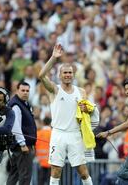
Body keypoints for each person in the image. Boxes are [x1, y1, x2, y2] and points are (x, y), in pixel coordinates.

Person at [38, 43, 93, 185]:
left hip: (75, 134)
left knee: (83, 170)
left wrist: (86, 109)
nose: (68, 75)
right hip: (58, 133)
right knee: (56, 170)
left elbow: (86, 115)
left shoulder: (81, 92)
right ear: (60, 75)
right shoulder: (54, 90)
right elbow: (41, 75)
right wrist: (53, 58)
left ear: (73, 75)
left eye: (70, 73)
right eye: (65, 73)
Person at [7, 81, 37, 185]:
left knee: (14, 175)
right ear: (17, 91)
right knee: (25, 176)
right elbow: (15, 127)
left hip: (19, 145)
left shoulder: (24, 103)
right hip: (22, 146)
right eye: (23, 90)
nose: (25, 93)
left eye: (27, 91)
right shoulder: (16, 105)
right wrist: (23, 144)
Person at [35, 117, 52, 185]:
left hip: (40, 160)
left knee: (41, 180)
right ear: (51, 123)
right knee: (51, 180)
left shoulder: (38, 133)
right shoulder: (53, 133)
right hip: (51, 160)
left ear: (43, 123)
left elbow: (35, 145)